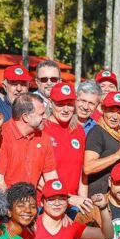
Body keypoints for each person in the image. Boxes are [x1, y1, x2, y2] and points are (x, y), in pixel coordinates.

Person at [45, 82, 94, 211]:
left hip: (73, 205)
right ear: (50, 103)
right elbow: (36, 174)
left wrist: (83, 201)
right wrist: (65, 197)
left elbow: (82, 171)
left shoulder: (78, 130)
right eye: (60, 104)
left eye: (70, 104)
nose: (66, 109)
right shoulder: (42, 129)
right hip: (49, 203)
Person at [0, 93, 58, 190]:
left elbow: (51, 176)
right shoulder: (1, 136)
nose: (45, 117)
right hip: (7, 200)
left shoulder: (44, 138)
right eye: (41, 114)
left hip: (32, 201)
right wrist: (15, 204)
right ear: (26, 117)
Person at [84, 91, 120, 195]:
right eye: (111, 111)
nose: (115, 117)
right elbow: (88, 167)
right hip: (97, 198)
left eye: (119, 113)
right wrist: (118, 155)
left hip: (114, 198)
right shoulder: (97, 132)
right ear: (103, 110)